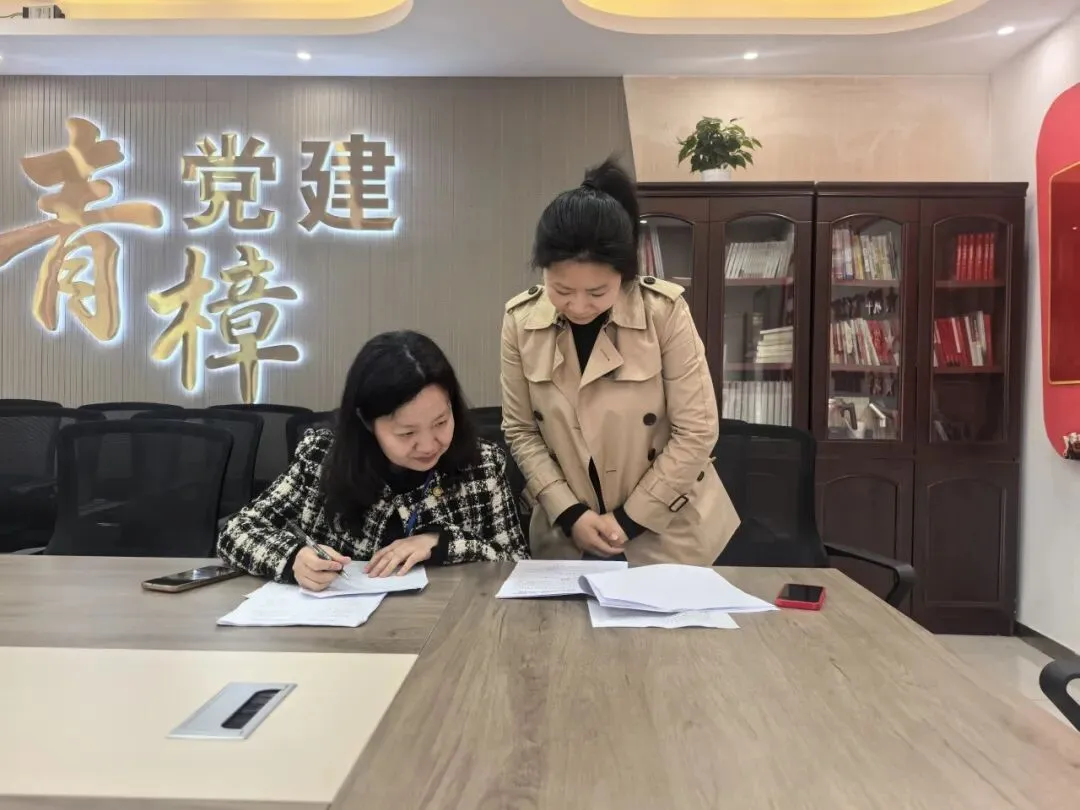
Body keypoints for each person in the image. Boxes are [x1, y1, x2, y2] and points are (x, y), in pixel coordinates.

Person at [500, 157, 740, 566]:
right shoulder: (520, 321)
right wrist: (570, 513)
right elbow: (521, 430)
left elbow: (697, 430)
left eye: (597, 292)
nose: (579, 306)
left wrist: (629, 519)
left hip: (666, 531)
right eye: (561, 290)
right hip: (567, 535)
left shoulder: (663, 313)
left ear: (624, 275)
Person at [218, 330, 529, 590]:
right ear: (366, 422)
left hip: (449, 627)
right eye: (407, 433)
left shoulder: (482, 465)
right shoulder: (322, 457)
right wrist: (293, 558)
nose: (428, 445)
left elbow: (517, 562)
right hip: (340, 630)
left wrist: (443, 542)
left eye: (441, 422)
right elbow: (236, 532)